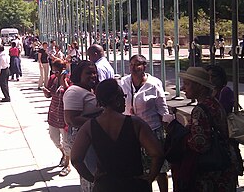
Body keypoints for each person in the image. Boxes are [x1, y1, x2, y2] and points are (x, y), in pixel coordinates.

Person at [71, 79, 165, 192]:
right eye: (123, 96)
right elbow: (157, 154)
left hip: (105, 185)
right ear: (117, 99)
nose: (125, 100)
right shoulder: (136, 124)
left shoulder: (89, 127)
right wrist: (150, 178)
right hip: (134, 184)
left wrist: (92, 179)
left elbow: (76, 159)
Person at [165, 67, 237, 191]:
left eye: (187, 84)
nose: (183, 88)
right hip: (224, 166)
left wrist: (179, 132)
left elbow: (200, 144)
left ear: (200, 86)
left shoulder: (200, 110)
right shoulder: (215, 103)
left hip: (210, 174)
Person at [120, 54, 170, 192]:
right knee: (138, 168)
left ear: (144, 66)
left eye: (137, 65)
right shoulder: (124, 82)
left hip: (152, 130)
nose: (133, 68)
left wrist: (167, 128)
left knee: (159, 167)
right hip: (132, 132)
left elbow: (162, 108)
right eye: (131, 65)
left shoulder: (154, 83)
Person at [63, 60, 102, 192]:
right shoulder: (74, 91)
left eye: (95, 73)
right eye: (88, 73)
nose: (93, 76)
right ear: (79, 74)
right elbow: (71, 119)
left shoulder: (89, 89)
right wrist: (99, 122)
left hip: (95, 136)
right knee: (90, 172)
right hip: (84, 138)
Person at [42, 59, 71, 177]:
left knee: (66, 140)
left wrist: (64, 82)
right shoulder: (52, 78)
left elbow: (71, 93)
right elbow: (49, 93)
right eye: (54, 70)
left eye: (57, 70)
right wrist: (46, 93)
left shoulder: (68, 78)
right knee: (54, 137)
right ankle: (63, 153)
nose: (55, 72)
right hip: (54, 111)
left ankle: (67, 164)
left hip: (64, 113)